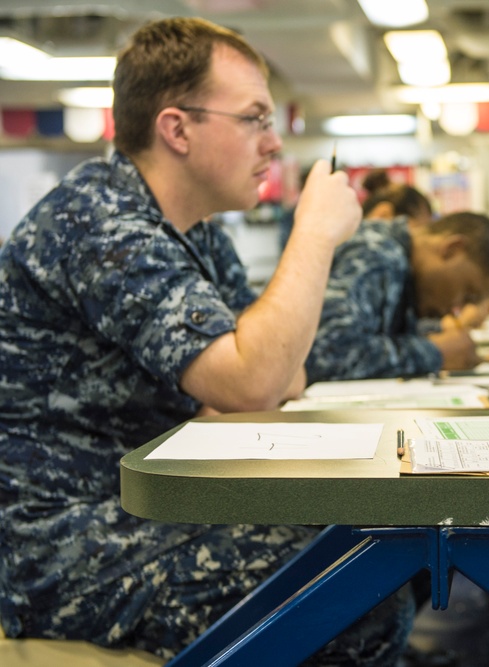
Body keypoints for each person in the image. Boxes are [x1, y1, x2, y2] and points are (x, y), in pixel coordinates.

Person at [0, 17, 413, 665]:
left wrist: (253, 374)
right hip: (56, 543)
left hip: (144, 506)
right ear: (177, 129)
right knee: (362, 595)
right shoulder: (99, 221)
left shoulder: (193, 229)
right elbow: (257, 380)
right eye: (255, 118)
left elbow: (283, 373)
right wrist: (315, 232)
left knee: (366, 552)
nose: (275, 144)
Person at [305, 212, 489, 382]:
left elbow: (378, 333)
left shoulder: (402, 266)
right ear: (451, 250)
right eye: (467, 293)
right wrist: (434, 352)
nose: (456, 308)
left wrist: (439, 335)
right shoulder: (378, 256)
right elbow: (327, 355)